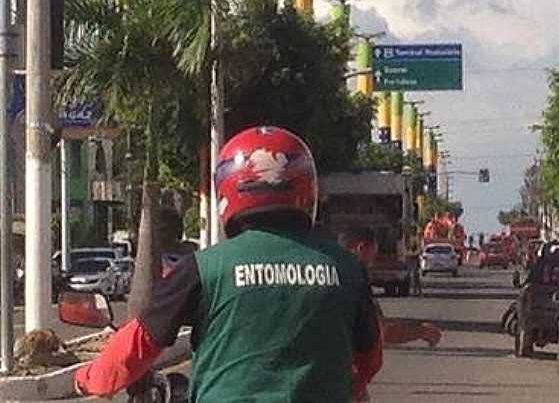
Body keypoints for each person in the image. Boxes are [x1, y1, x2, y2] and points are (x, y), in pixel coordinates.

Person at [75, 126, 383, 402]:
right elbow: (370, 358)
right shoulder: (347, 268)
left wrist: (87, 379)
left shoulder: (203, 268)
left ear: (228, 189)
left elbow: (138, 343)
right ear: (306, 189)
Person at [340, 227, 442, 348]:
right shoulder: (355, 281)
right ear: (361, 248)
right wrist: (422, 332)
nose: (373, 262)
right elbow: (382, 331)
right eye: (373, 254)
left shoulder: (321, 272)